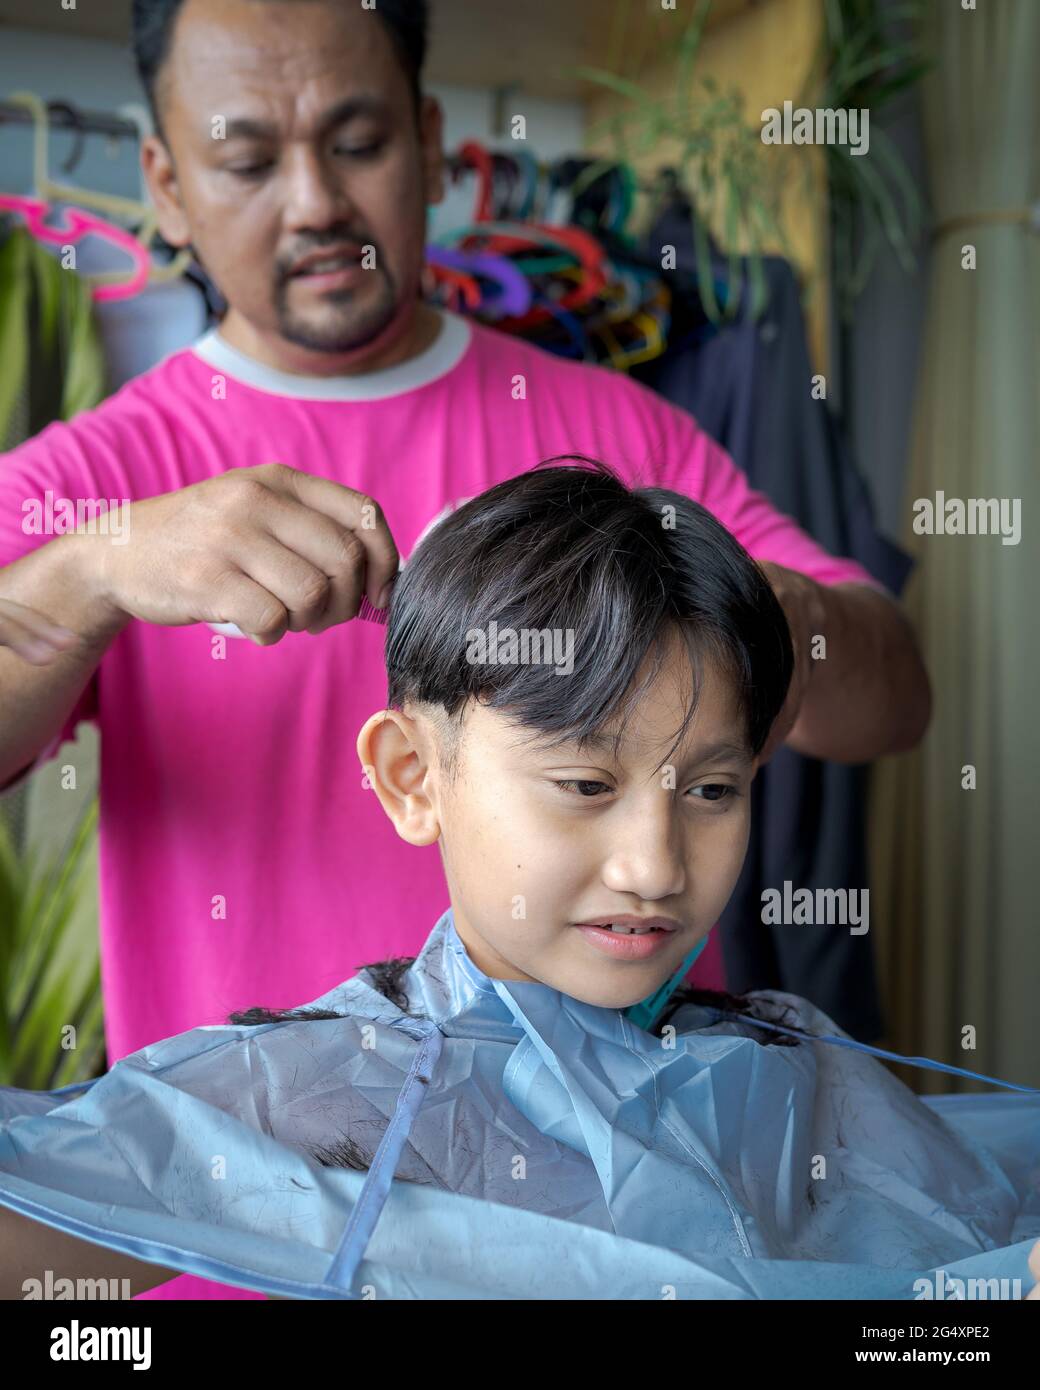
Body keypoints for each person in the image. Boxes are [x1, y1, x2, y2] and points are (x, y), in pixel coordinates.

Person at [0, 0, 929, 1299]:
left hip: (626, 1256)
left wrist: (699, 596)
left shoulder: (621, 441)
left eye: (361, 141)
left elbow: (893, 691)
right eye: (250, 159)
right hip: (245, 1269)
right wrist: (86, 577)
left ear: (434, 145)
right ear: (165, 183)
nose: (317, 201)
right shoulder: (97, 483)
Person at [0, 460, 1034, 1301]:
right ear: (413, 776)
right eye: (584, 782)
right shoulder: (315, 1095)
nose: (654, 865)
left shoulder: (787, 1063)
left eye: (711, 789)